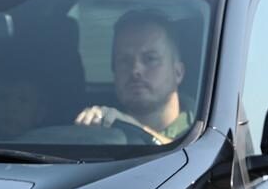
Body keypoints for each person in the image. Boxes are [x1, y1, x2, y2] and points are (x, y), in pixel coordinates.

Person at [75, 9, 192, 145]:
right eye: (125, 60)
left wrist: (137, 130)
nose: (135, 70)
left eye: (150, 59)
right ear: (114, 72)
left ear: (178, 72)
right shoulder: (99, 133)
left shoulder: (208, 132)